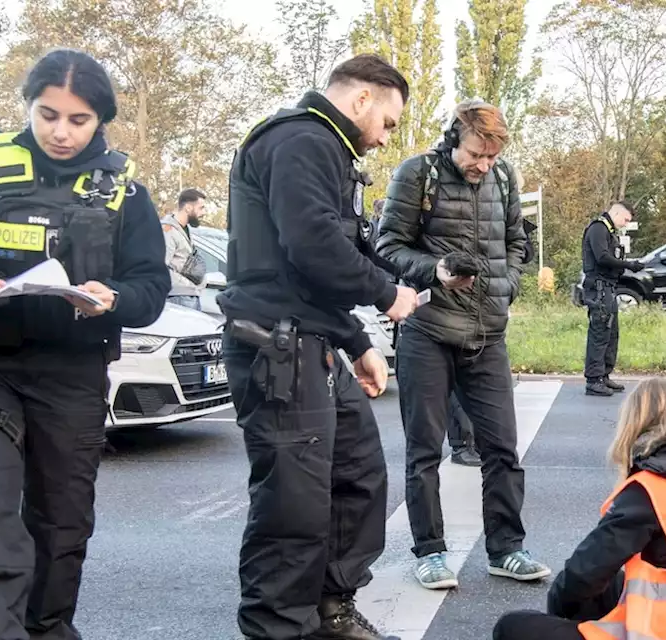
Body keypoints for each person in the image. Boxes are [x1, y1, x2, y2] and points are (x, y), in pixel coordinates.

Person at [0, 48, 170, 640]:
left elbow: (151, 287)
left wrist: (114, 297)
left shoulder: (125, 193)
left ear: (101, 120)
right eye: (47, 115)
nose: (60, 132)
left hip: (71, 377)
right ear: (29, 107)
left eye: (78, 120)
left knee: (60, 534)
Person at [216, 53, 420, 640]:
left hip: (313, 343)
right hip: (277, 350)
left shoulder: (324, 147)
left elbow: (304, 269)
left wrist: (357, 342)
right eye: (387, 121)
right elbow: (314, 245)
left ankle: (331, 609)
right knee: (293, 509)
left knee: (358, 479)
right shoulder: (302, 141)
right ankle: (279, 627)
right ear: (361, 100)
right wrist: (387, 296)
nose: (384, 138)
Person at [377, 99, 549, 591]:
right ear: (454, 138)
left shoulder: (504, 178)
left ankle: (507, 549)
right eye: (476, 154)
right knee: (424, 451)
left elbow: (517, 242)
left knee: (503, 450)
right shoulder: (417, 174)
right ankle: (430, 552)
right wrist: (435, 270)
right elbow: (387, 246)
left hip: (487, 334)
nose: (483, 165)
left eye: (492, 156)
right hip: (427, 332)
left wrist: (508, 282)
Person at [491, 378, 666, 640]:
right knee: (610, 587)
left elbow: (582, 575)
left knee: (512, 627)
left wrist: (559, 613)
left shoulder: (652, 490)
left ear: (634, 428)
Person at [580, 201, 644, 397]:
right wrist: (628, 265)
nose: (625, 224)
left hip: (608, 288)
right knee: (600, 333)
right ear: (616, 213)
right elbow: (602, 258)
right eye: (625, 219)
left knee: (611, 334)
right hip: (598, 288)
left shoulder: (609, 232)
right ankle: (594, 380)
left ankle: (604, 375)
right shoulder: (598, 228)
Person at [161, 187, 208, 310]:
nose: (204, 213)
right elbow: (161, 267)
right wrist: (190, 285)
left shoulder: (184, 229)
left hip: (188, 295)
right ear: (188, 208)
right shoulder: (168, 230)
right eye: (201, 208)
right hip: (178, 296)